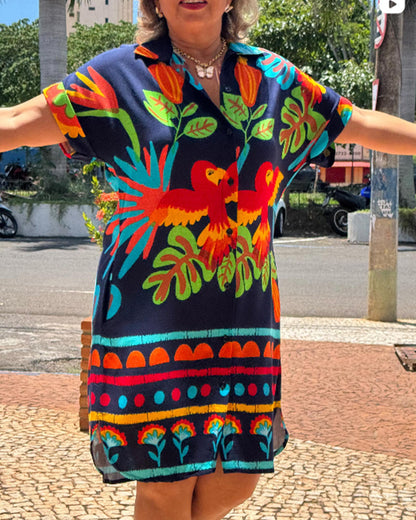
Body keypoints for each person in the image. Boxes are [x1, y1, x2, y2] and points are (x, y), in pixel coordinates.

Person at [1, 1, 416, 518]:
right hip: (150, 319)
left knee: (236, 477)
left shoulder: (273, 80)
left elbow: (356, 122)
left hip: (244, 318)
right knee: (166, 480)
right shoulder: (117, 77)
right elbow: (16, 120)